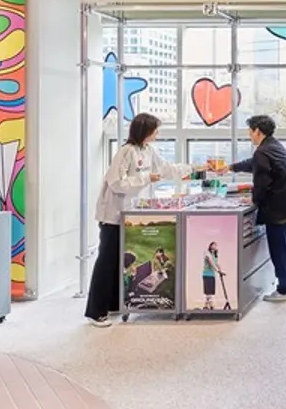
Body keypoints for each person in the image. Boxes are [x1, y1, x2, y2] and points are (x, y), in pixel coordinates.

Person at [85, 113, 194, 328]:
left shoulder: (149, 151)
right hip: (113, 216)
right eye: (155, 130)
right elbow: (116, 183)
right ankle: (95, 312)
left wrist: (192, 168)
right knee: (107, 262)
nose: (157, 134)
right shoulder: (125, 152)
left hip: (131, 215)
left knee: (121, 262)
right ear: (145, 130)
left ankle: (113, 304)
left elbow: (166, 169)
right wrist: (146, 178)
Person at [229, 115, 286, 303]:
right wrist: (231, 167)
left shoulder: (262, 152)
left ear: (257, 131)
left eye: (250, 131)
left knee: (279, 251)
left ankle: (285, 289)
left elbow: (262, 182)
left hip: (280, 211)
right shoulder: (275, 146)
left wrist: (253, 200)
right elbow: (255, 164)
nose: (249, 135)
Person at [202, 242, 223, 310]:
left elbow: (217, 263)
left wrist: (220, 271)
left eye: (216, 246)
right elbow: (210, 262)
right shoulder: (207, 253)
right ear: (210, 246)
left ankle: (206, 305)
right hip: (207, 274)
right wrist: (217, 270)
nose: (214, 247)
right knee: (208, 291)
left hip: (212, 275)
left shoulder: (215, 255)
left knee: (210, 291)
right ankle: (211, 305)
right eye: (213, 245)